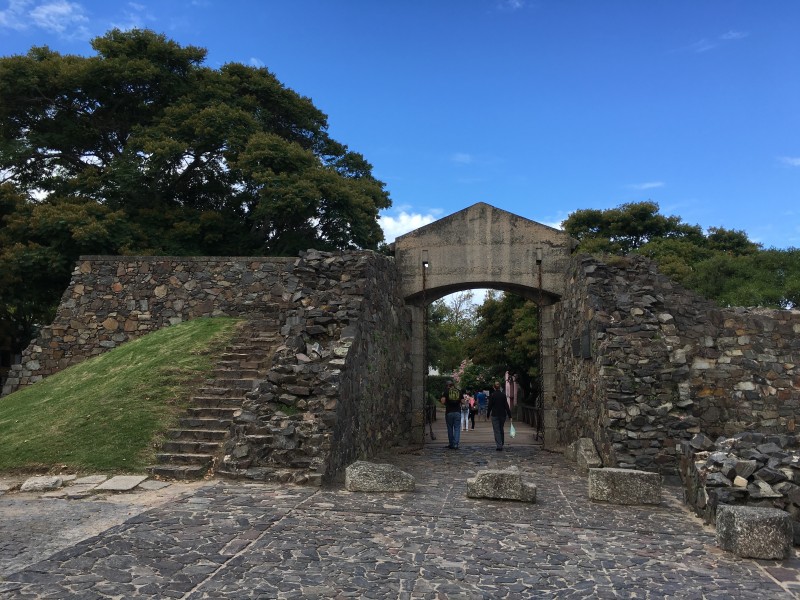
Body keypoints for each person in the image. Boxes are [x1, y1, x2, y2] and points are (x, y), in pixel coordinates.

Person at [486, 380, 512, 451]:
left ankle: (499, 445)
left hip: (495, 414)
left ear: (494, 387)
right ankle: (501, 443)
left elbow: (490, 406)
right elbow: (506, 406)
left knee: (496, 430)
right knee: (501, 429)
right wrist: (510, 416)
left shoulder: (492, 395)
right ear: (499, 387)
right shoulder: (503, 395)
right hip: (502, 414)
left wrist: (488, 414)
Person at [440, 381, 462, 449]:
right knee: (457, 428)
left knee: (450, 428)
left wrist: (447, 402)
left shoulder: (446, 392)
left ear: (447, 386)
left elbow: (443, 402)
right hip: (457, 411)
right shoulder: (459, 391)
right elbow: (463, 401)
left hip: (449, 412)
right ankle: (456, 444)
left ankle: (451, 444)